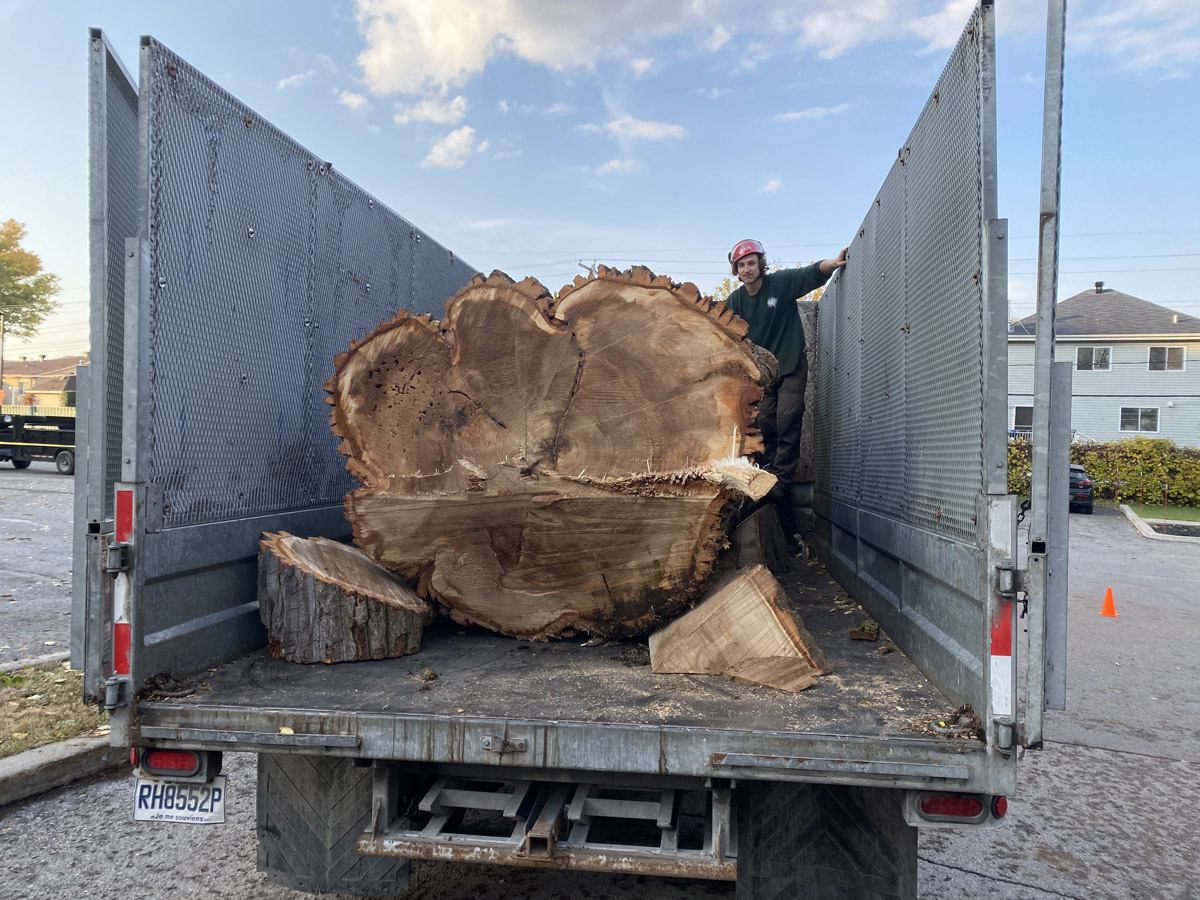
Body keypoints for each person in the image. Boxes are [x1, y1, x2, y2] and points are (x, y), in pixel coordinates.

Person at [725, 238, 847, 545]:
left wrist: (832, 264)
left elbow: (810, 273)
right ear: (736, 271)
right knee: (766, 428)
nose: (747, 269)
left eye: (751, 262)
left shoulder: (779, 284)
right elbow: (721, 328)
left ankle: (778, 487)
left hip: (791, 364)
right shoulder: (736, 300)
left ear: (760, 264)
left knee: (788, 421)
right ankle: (771, 483)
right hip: (761, 376)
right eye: (741, 265)